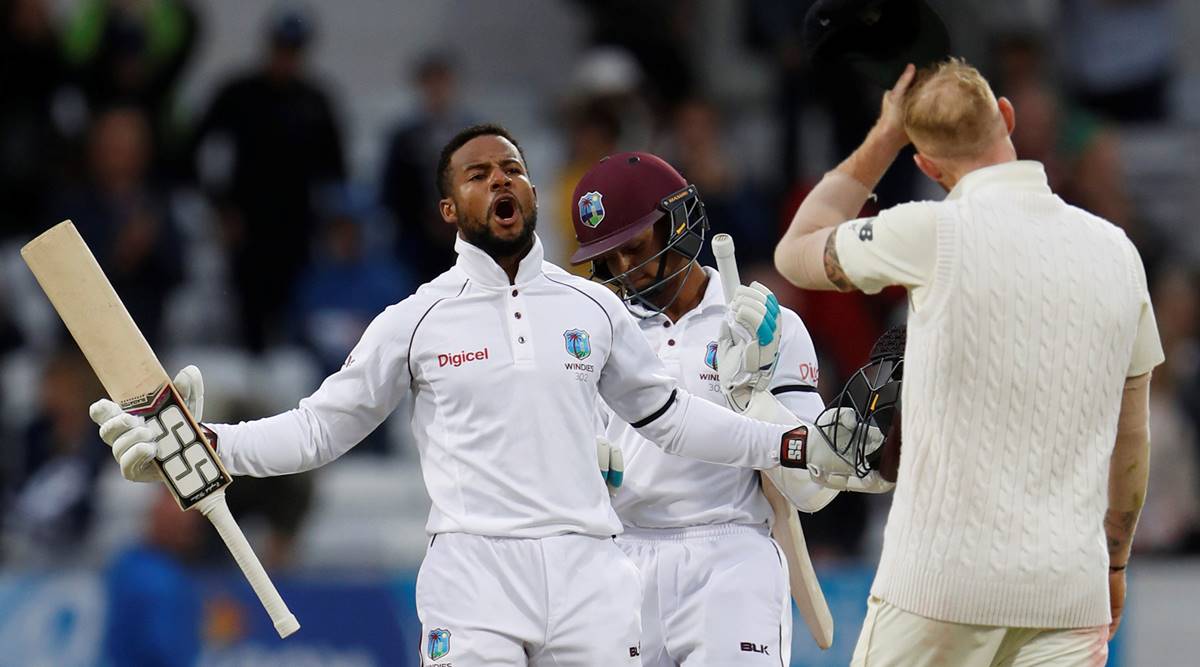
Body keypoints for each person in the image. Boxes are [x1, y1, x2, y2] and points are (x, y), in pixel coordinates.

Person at [91, 124, 826, 667]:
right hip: (473, 574)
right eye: (477, 174)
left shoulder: (593, 309)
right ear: (450, 210)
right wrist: (209, 443)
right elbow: (317, 431)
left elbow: (671, 419)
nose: (499, 180)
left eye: (512, 167)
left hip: (591, 573)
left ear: (534, 193)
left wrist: (788, 442)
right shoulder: (413, 321)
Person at [773, 59, 1165, 666]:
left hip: (937, 585)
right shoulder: (1118, 251)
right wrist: (1113, 562)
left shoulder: (930, 231)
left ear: (926, 165)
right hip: (1068, 591)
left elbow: (796, 251)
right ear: (1005, 116)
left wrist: (883, 137)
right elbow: (1132, 435)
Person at [567, 151, 841, 665]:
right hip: (622, 556)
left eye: (635, 247)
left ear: (677, 221)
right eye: (610, 258)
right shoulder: (597, 333)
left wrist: (753, 397)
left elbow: (812, 489)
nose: (627, 270)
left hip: (731, 557)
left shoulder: (764, 324)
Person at [190, 7, 345, 351]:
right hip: (246, 224)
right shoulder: (239, 94)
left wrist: (329, 220)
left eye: (294, 50)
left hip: (298, 226)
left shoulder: (315, 101)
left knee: (294, 310)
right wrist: (219, 206)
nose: (286, 58)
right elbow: (197, 151)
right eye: (281, 48)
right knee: (248, 312)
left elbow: (336, 170)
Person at [103, 488, 204, 667]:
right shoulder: (161, 581)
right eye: (180, 521)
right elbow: (164, 647)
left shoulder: (127, 563)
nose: (189, 525)